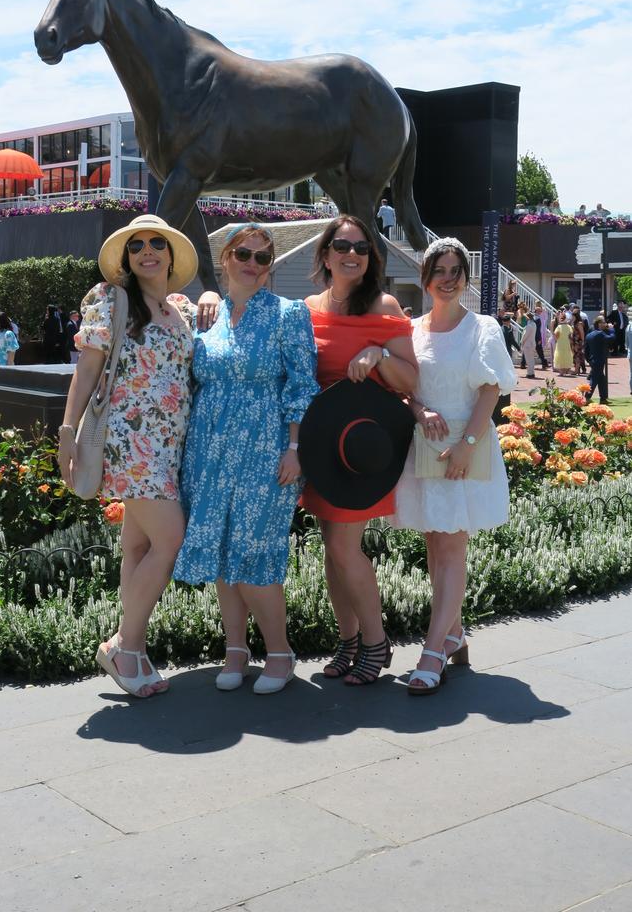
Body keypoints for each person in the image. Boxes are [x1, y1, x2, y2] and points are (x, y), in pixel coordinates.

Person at [173, 225, 319, 695]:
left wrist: (295, 449)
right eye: (244, 254)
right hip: (207, 452)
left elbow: (302, 384)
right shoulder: (206, 318)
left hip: (265, 451)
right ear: (225, 259)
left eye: (262, 257)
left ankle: (279, 652)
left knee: (255, 555)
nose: (254, 264)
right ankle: (235, 650)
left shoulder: (287, 314)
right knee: (221, 555)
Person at [57, 214, 199, 697]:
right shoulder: (111, 300)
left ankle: (132, 650)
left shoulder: (183, 307)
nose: (147, 250)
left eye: (157, 242)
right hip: (130, 442)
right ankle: (125, 644)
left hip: (171, 444)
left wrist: (216, 298)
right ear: (126, 257)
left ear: (171, 253)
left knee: (139, 547)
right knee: (170, 540)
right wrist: (67, 430)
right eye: (136, 245)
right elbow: (88, 368)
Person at [392, 237, 517, 694]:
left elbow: (491, 390)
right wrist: (418, 410)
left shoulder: (482, 328)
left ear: (465, 278)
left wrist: (467, 443)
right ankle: (455, 633)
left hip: (464, 449)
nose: (448, 279)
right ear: (425, 278)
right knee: (434, 545)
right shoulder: (412, 330)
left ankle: (433, 649)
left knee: (450, 548)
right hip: (425, 447)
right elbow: (405, 387)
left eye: (456, 271)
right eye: (439, 270)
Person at [302, 214, 417, 685]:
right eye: (343, 246)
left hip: (363, 450)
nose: (352, 254)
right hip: (322, 449)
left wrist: (381, 355)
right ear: (325, 254)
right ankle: (348, 641)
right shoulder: (306, 308)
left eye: (362, 248)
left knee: (345, 549)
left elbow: (411, 381)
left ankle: (376, 641)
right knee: (331, 553)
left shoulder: (384, 305)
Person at [585, 316, 615, 403]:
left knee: (602, 379)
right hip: (599, 360)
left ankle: (603, 398)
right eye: (603, 322)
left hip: (592, 360)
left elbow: (586, 350)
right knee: (594, 379)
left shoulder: (589, 335)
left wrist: (588, 360)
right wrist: (612, 329)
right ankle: (586, 397)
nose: (605, 324)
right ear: (599, 324)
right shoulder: (600, 334)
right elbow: (611, 338)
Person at [553, 310, 574, 374]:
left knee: (560, 355)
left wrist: (556, 340)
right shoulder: (569, 327)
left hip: (560, 343)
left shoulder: (559, 327)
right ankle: (566, 369)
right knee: (567, 355)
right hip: (567, 343)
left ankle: (561, 371)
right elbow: (570, 336)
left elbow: (556, 336)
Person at [520, 313, 537, 378]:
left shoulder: (529, 325)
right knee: (531, 359)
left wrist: (521, 341)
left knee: (528, 359)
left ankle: (530, 373)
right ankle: (531, 372)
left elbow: (525, 335)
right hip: (532, 343)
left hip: (528, 344)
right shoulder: (534, 324)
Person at [533, 302, 549, 369]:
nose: (541, 312)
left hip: (534, 336)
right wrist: (539, 338)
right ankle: (544, 363)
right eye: (540, 311)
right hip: (536, 337)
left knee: (539, 351)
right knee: (539, 350)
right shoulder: (537, 319)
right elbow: (537, 330)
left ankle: (544, 363)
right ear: (537, 311)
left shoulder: (534, 318)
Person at [570, 309, 586, 375]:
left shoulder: (579, 323)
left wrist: (582, 341)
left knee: (577, 356)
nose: (572, 317)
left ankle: (576, 370)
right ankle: (580, 369)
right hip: (574, 341)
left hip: (578, 341)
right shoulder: (574, 323)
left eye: (573, 316)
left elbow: (582, 333)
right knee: (578, 355)